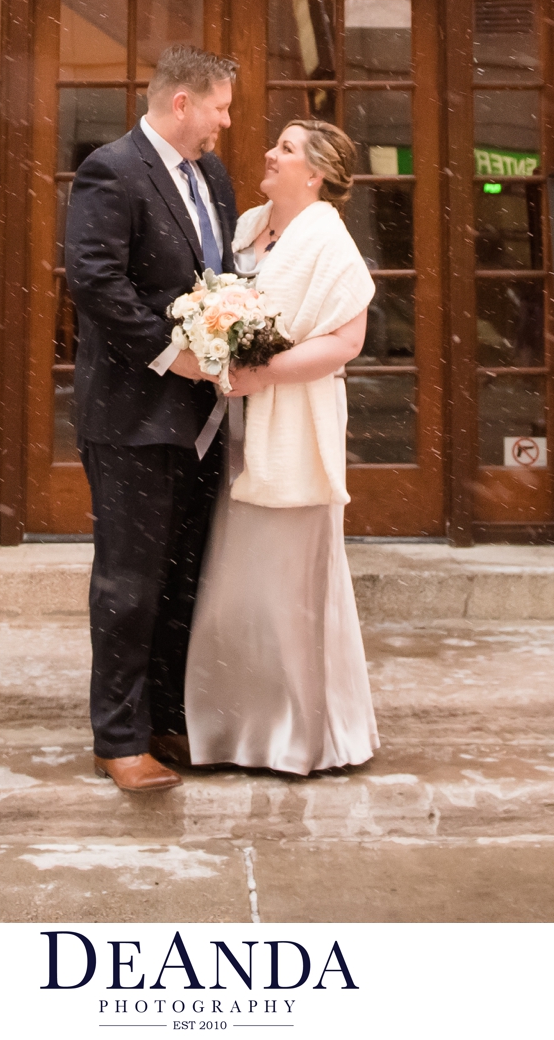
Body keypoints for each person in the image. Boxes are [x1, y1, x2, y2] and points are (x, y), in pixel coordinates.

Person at [61, 43, 240, 794]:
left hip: (200, 423)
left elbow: (220, 278)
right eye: (220, 108)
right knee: (129, 585)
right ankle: (120, 739)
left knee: (181, 581)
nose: (225, 124)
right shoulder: (113, 169)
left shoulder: (213, 177)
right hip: (133, 415)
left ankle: (166, 720)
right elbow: (94, 280)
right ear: (181, 104)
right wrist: (173, 355)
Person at [184, 117, 380, 776]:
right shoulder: (245, 226)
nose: (270, 153)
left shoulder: (328, 240)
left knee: (286, 593)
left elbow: (345, 343)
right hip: (230, 428)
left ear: (316, 172)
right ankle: (230, 731)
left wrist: (257, 374)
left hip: (291, 424)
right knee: (233, 590)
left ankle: (300, 735)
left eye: (287, 149)